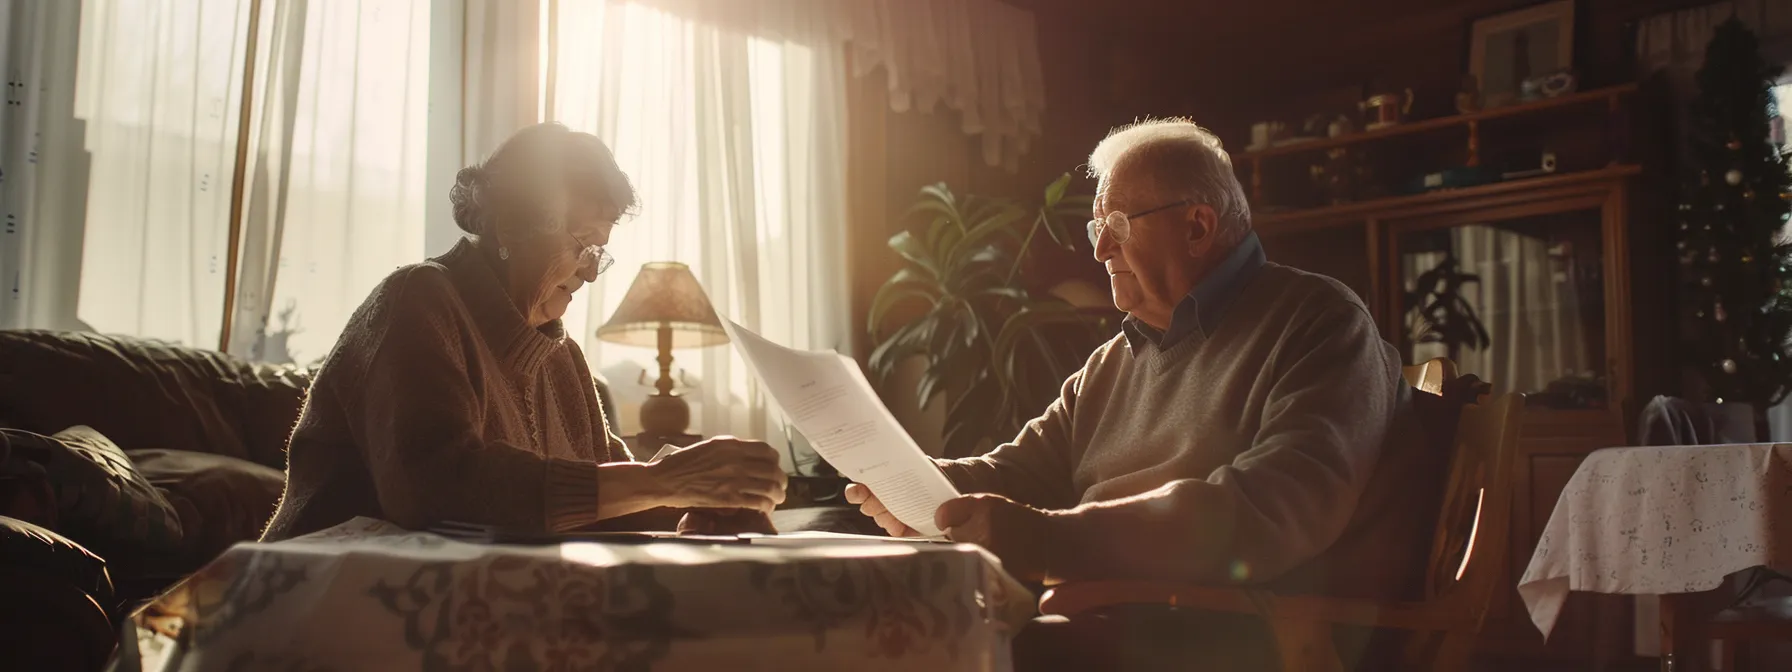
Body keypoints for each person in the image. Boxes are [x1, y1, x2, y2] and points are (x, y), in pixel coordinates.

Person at [845, 118, 1433, 669]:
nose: (1100, 251)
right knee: (878, 625)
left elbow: (1271, 510)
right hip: (1119, 616)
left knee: (923, 650)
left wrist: (1053, 538)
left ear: (1198, 226)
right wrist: (908, 481)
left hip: (1253, 634)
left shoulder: (1318, 322)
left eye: (1117, 227)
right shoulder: (1114, 361)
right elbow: (1019, 472)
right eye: (1097, 229)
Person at [262, 123, 786, 541]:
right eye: (581, 242)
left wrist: (695, 505)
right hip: (317, 601)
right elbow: (436, 488)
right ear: (511, 226)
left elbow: (597, 506)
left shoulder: (563, 358)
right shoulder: (418, 299)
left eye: (598, 251)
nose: (588, 270)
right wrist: (660, 483)